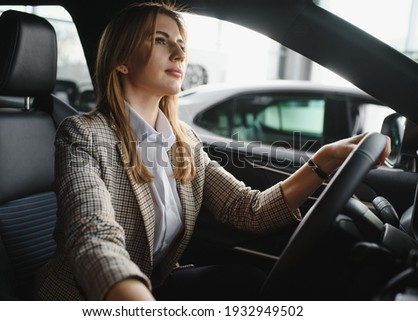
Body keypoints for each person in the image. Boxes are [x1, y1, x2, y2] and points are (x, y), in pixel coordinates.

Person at [34, 1, 390, 301]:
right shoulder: (83, 134)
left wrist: (324, 159)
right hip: (88, 296)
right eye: (161, 41)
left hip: (154, 284)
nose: (179, 53)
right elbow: (92, 235)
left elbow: (247, 210)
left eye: (181, 44)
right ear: (122, 60)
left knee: (247, 281)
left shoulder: (182, 138)